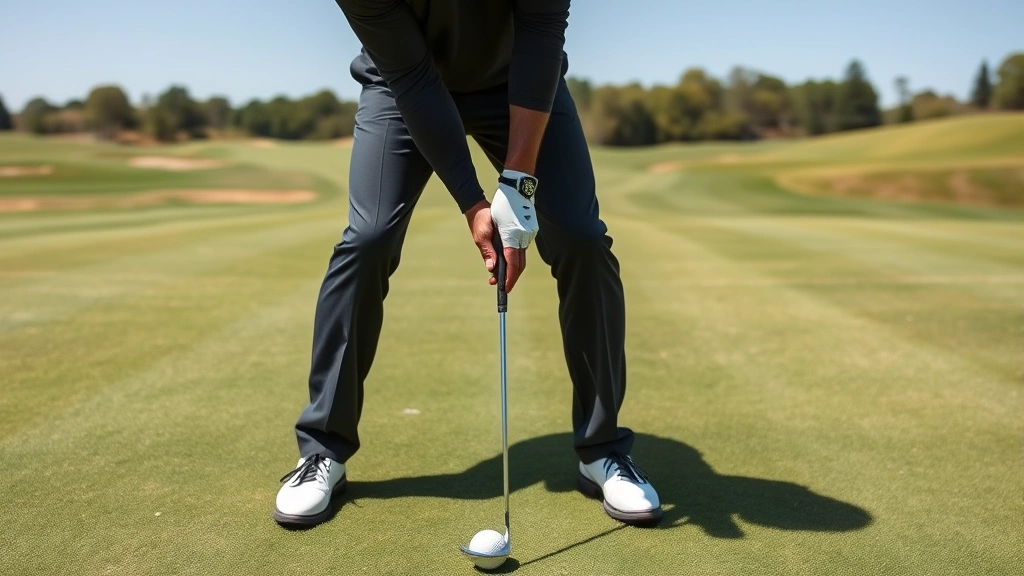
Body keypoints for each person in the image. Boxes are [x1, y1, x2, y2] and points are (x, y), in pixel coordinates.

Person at [273, 0, 661, 528]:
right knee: (369, 238)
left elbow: (542, 33)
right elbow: (411, 76)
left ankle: (602, 451)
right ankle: (322, 451)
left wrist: (519, 183)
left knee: (582, 238)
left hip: (521, 84)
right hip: (401, 84)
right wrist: (473, 202)